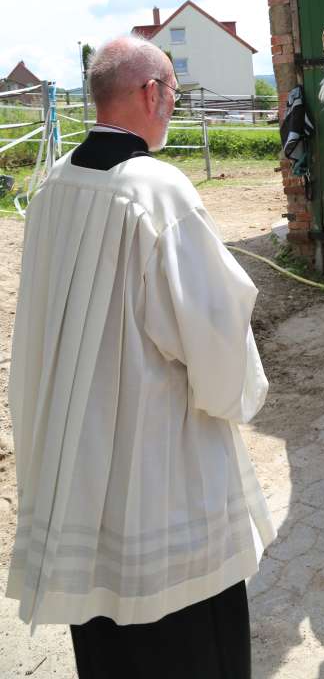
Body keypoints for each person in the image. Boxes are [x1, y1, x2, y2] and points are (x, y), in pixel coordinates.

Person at [7, 36, 275, 679]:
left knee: (107, 645)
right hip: (158, 480)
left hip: (76, 464)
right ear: (151, 94)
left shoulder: (50, 191)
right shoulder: (160, 192)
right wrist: (237, 394)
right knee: (188, 646)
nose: (174, 107)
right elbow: (215, 337)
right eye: (174, 95)